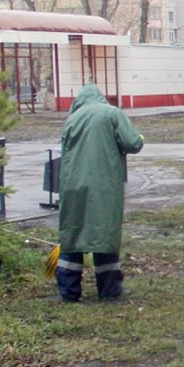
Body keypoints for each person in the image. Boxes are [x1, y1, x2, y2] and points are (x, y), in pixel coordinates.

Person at [55, 83, 145, 302]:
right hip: (103, 186)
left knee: (72, 235)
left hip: (72, 185)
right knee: (104, 233)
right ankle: (109, 290)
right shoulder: (112, 113)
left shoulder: (72, 119)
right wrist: (141, 138)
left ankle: (69, 291)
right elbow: (133, 142)